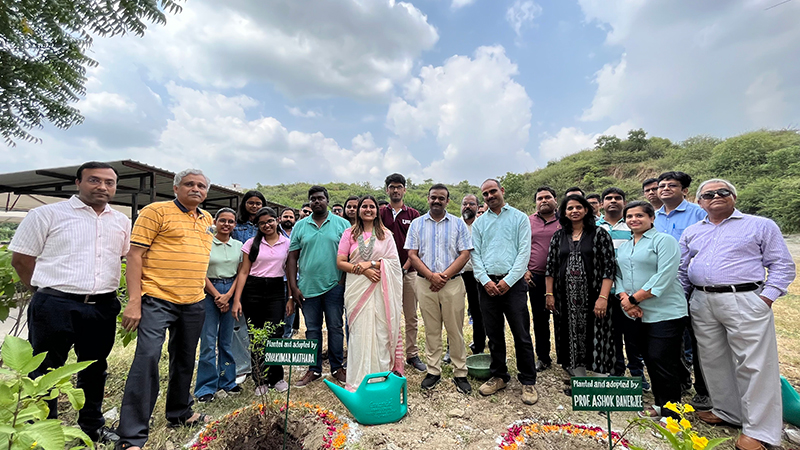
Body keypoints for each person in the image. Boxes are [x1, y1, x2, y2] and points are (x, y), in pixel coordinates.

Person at [9, 161, 130, 444]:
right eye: (94, 180)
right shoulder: (46, 214)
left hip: (102, 306)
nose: (102, 187)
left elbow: (125, 258)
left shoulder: (121, 221)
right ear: (78, 183)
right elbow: (21, 259)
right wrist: (44, 292)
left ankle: (92, 426)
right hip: (55, 304)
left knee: (94, 367)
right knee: (46, 369)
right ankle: (44, 432)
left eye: (109, 182)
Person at [679, 179, 795, 450]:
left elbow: (781, 264)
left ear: (733, 197)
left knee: (754, 364)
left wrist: (766, 298)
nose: (716, 196)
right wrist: (683, 301)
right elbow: (684, 269)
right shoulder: (693, 231)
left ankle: (760, 431)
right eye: (708, 194)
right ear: (700, 202)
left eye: (723, 192)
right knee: (713, 360)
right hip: (701, 299)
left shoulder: (760, 225)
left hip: (744, 299)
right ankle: (727, 411)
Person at [116, 169, 214, 450]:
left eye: (201, 186)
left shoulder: (206, 219)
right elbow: (135, 256)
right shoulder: (155, 212)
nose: (196, 189)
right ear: (175, 187)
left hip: (193, 300)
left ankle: (180, 412)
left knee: (184, 359)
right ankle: (132, 436)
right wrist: (134, 301)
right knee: (147, 359)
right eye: (189, 184)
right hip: (157, 298)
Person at [615, 201, 688, 420]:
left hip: (665, 312)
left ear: (652, 218)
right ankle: (660, 404)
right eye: (629, 216)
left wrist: (633, 299)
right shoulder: (625, 246)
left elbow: (664, 275)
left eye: (639, 216)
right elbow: (618, 275)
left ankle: (673, 414)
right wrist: (624, 299)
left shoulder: (664, 241)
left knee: (663, 359)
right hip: (637, 313)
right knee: (650, 358)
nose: (634, 220)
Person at [471, 179, 538, 405]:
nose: (489, 196)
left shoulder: (519, 218)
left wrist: (509, 280)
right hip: (487, 284)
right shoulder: (480, 223)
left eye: (493, 191)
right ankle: (499, 375)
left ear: (502, 191)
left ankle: (528, 380)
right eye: (485, 194)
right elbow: (475, 255)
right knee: (494, 334)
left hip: (514, 284)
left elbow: (523, 253)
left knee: (521, 333)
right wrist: (484, 280)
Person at [406, 184, 473, 394]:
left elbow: (464, 254)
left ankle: (460, 372)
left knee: (455, 330)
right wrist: (431, 276)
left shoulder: (458, 224)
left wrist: (443, 276)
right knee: (432, 329)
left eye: (441, 198)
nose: (437, 201)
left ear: (447, 201)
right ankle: (433, 371)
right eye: (433, 197)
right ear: (428, 199)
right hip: (425, 284)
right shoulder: (417, 224)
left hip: (452, 284)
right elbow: (412, 254)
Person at [545, 194, 616, 387]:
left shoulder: (600, 234)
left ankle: (601, 383)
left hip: (595, 296)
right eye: (570, 208)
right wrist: (549, 294)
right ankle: (581, 381)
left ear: (586, 210)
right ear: (564, 213)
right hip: (564, 298)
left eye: (578, 207)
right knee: (568, 334)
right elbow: (550, 266)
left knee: (599, 334)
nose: (574, 211)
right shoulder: (558, 236)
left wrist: (603, 297)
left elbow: (609, 268)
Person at [336, 195, 404, 391]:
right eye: (364, 206)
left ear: (377, 211)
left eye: (371, 207)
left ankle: (381, 376)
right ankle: (358, 379)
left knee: (381, 331)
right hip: (357, 287)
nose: (368, 209)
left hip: (381, 288)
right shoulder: (349, 233)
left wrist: (372, 264)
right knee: (358, 333)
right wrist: (363, 269)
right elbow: (340, 262)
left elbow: (393, 264)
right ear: (358, 210)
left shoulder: (386, 234)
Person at [654, 170, 710, 409]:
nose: (665, 188)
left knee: (700, 341)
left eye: (672, 185)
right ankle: (678, 382)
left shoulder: (700, 214)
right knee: (670, 338)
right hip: (660, 289)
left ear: (685, 190)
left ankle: (705, 390)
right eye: (662, 185)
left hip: (692, 286)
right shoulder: (653, 216)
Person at [287, 186, 351, 387]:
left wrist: (341, 281)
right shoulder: (300, 226)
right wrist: (293, 287)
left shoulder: (342, 224)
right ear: (309, 202)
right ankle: (313, 370)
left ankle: (337, 367)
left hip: (334, 285)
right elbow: (291, 258)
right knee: (312, 330)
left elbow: (349, 255)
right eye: (313, 199)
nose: (317, 202)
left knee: (335, 327)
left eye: (320, 198)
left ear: (327, 200)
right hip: (307, 287)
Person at [232, 207, 291, 394]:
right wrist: (237, 300)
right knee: (256, 335)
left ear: (277, 220)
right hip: (253, 289)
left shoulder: (287, 243)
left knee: (275, 332)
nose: (267, 225)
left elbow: (290, 273)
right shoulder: (251, 243)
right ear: (258, 225)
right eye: (262, 223)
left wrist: (290, 298)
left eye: (270, 221)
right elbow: (243, 272)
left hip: (276, 289)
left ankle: (277, 377)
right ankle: (260, 379)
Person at [596, 188, 647, 388]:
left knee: (634, 336)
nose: (613, 201)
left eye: (618, 198)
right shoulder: (594, 226)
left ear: (624, 202)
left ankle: (637, 374)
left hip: (630, 291)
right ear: (601, 204)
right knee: (611, 334)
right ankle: (616, 373)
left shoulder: (633, 227)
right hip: (604, 291)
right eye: (608, 198)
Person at [194, 208, 243, 403]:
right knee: (207, 341)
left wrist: (229, 296)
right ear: (215, 222)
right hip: (208, 291)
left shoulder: (239, 245)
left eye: (230, 221)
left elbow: (241, 272)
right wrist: (217, 296)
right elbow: (200, 271)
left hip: (231, 289)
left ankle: (228, 381)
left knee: (226, 340)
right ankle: (205, 387)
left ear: (235, 225)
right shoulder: (205, 243)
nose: (226, 224)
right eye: (222, 221)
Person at [379, 173, 426, 372]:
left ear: (404, 189)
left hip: (410, 271)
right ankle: (386, 355)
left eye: (399, 186)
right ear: (387, 190)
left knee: (410, 315)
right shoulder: (380, 213)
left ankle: (412, 354)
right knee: (385, 314)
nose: (395, 190)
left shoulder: (413, 214)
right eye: (392, 186)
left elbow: (418, 244)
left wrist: (405, 267)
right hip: (384, 273)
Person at [231, 190, 266, 381]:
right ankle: (242, 366)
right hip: (239, 277)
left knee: (259, 325)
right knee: (240, 325)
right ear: (244, 204)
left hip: (262, 279)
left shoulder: (267, 224)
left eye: (258, 203)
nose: (254, 206)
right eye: (251, 203)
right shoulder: (237, 226)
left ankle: (259, 364)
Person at [524, 186, 560, 372]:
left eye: (547, 197)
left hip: (563, 278)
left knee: (564, 319)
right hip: (536, 277)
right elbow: (520, 247)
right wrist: (525, 270)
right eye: (540, 198)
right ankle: (543, 357)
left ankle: (566, 358)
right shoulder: (528, 221)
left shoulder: (566, 220)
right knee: (540, 318)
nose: (543, 200)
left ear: (555, 200)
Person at [461, 194, 485, 354]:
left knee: (478, 311)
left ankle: (479, 345)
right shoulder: (455, 224)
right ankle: (452, 348)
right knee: (454, 313)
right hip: (457, 274)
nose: (467, 206)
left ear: (477, 207)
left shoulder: (483, 225)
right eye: (465, 204)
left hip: (477, 276)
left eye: (471, 204)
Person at [278, 207, 298, 338]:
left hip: (295, 277)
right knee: (277, 309)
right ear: (280, 219)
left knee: (291, 309)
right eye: (286, 216)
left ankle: (287, 337)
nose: (288, 219)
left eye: (291, 217)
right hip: (278, 277)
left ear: (295, 220)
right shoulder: (274, 231)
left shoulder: (297, 232)